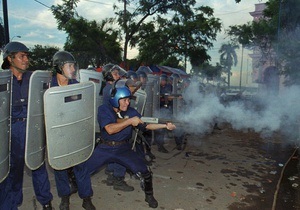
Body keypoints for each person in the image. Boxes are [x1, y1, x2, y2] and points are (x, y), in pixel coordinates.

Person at [86, 86, 176, 208]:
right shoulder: (104, 109)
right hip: (104, 148)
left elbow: (147, 125)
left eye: (129, 100)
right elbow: (110, 129)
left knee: (145, 172)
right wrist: (129, 122)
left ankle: (149, 195)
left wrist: (165, 126)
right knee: (82, 171)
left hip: (123, 149)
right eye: (124, 100)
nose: (128, 103)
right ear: (115, 99)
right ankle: (84, 198)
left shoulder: (131, 112)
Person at [0, 42, 53, 210]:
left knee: (38, 165)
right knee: (12, 172)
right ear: (10, 58)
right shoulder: (3, 80)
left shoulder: (35, 79)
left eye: (27, 56)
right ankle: (10, 205)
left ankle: (46, 202)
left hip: (33, 128)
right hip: (12, 132)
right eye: (21, 56)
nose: (26, 60)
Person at [50, 51, 95, 210]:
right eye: (70, 65)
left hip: (75, 132)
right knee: (59, 167)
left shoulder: (77, 86)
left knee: (81, 165)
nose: (73, 69)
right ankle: (65, 197)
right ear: (59, 68)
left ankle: (86, 197)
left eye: (74, 65)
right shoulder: (48, 87)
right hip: (57, 134)